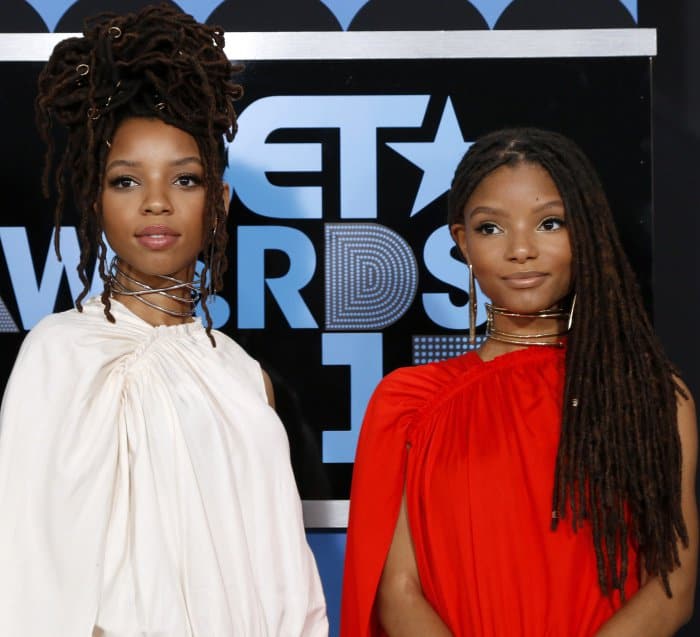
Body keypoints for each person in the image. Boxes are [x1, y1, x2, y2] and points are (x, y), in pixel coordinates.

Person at [0, 5, 328, 636]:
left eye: (185, 179)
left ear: (220, 203)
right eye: (126, 181)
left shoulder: (242, 376)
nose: (156, 202)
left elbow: (281, 574)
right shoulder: (58, 352)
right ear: (94, 198)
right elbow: (28, 571)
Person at [340, 127, 697, 636]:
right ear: (462, 242)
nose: (521, 250)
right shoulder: (410, 404)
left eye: (550, 222)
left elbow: (672, 587)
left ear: (586, 232)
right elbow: (397, 590)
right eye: (491, 229)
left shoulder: (650, 397)